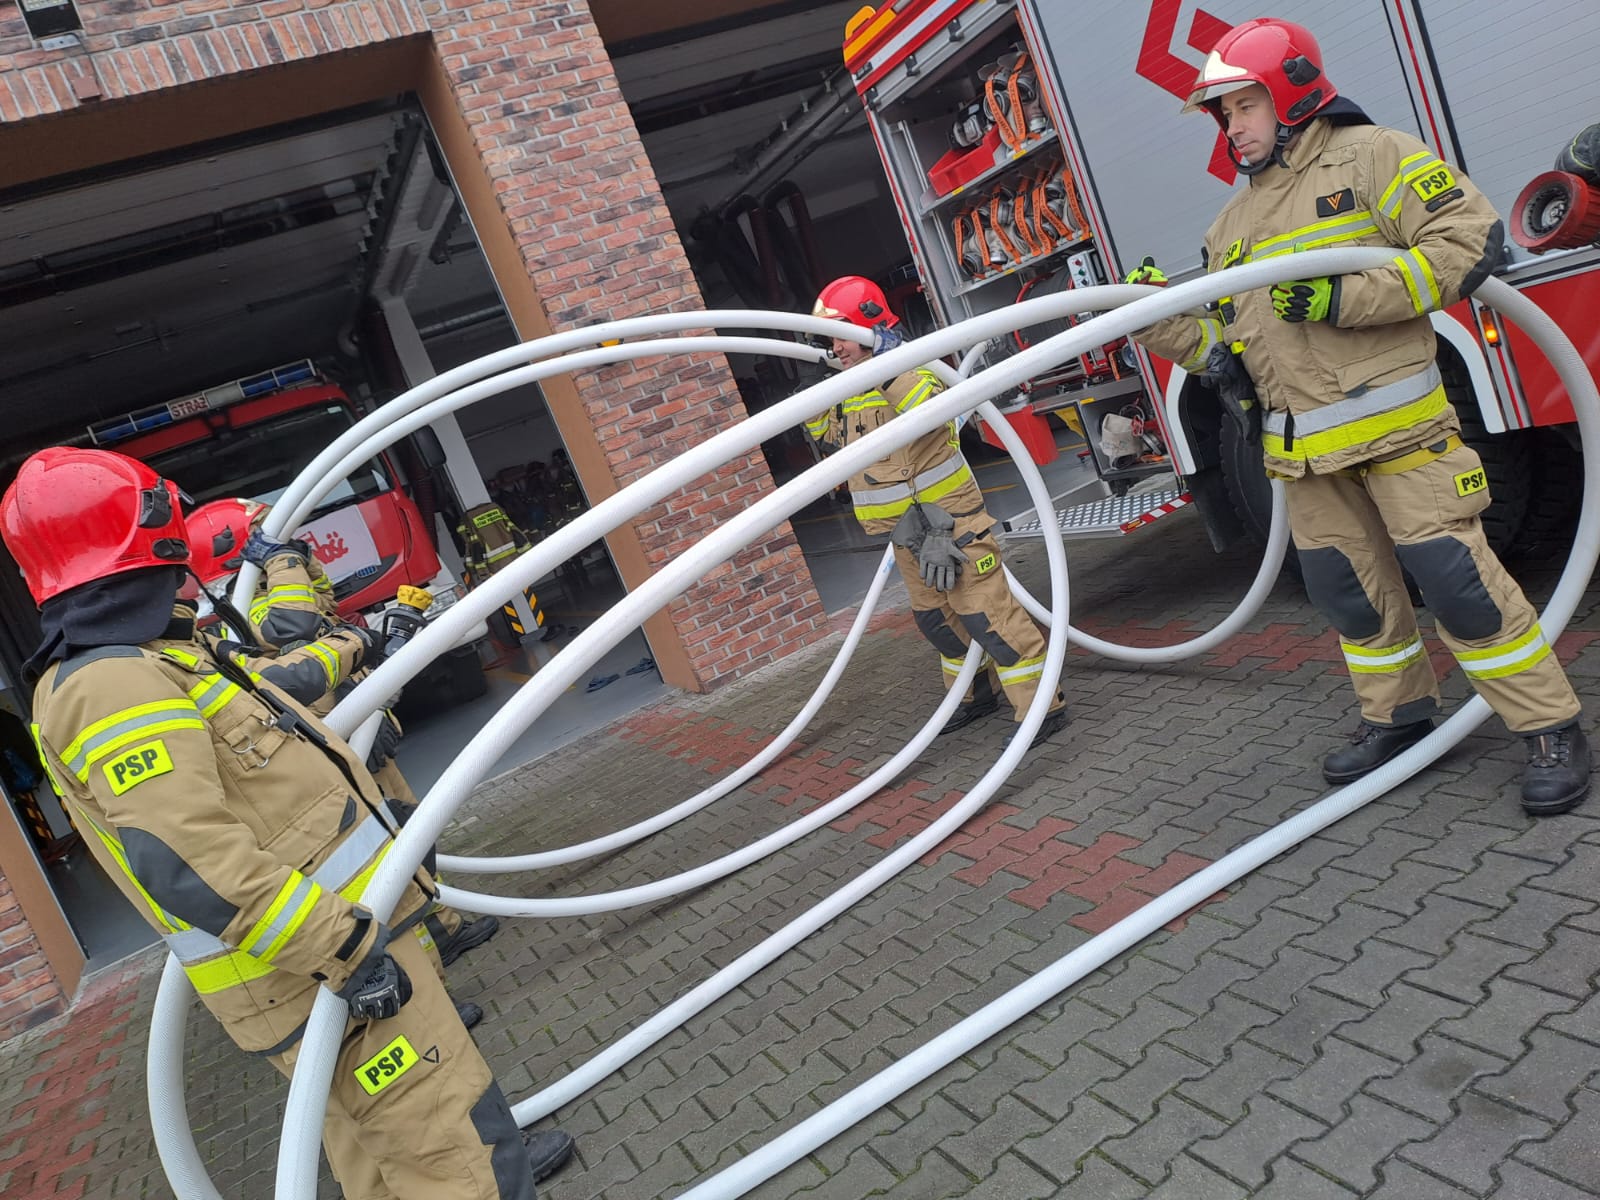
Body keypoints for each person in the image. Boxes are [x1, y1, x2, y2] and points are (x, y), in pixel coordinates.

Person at [3, 448, 573, 1198]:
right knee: (454, 1148)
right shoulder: (110, 684)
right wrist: (343, 949)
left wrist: (366, 641)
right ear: (153, 538)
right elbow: (188, 860)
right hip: (322, 970)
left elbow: (275, 701)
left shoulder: (150, 659)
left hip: (318, 970)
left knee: (378, 1160)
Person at [1127, 18, 1588, 814]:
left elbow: (1465, 241)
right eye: (1223, 113)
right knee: (1351, 599)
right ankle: (1400, 719)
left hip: (1404, 439)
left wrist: (1342, 297)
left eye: (1243, 105)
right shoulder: (1229, 228)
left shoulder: (1374, 156)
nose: (1231, 128)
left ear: (1291, 95)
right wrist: (1151, 317)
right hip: (1306, 461)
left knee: (1460, 587)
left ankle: (1549, 727)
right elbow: (1224, 348)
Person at [185, 498, 503, 974]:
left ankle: (445, 930)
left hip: (359, 728)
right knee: (388, 849)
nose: (289, 543)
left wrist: (297, 560)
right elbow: (293, 624)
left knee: (408, 834)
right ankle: (428, 958)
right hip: (337, 738)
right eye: (272, 536)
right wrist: (281, 560)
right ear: (241, 551)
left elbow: (321, 602)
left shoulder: (273, 587)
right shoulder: (246, 606)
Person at [807, 275, 1069, 744]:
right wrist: (812, 400)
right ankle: (972, 696)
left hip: (952, 524)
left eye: (840, 333)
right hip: (906, 533)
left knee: (987, 614)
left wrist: (888, 366)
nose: (834, 346)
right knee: (938, 622)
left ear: (868, 324)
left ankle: (1041, 706)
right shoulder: (848, 386)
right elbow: (831, 439)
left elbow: (931, 410)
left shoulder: (916, 368)